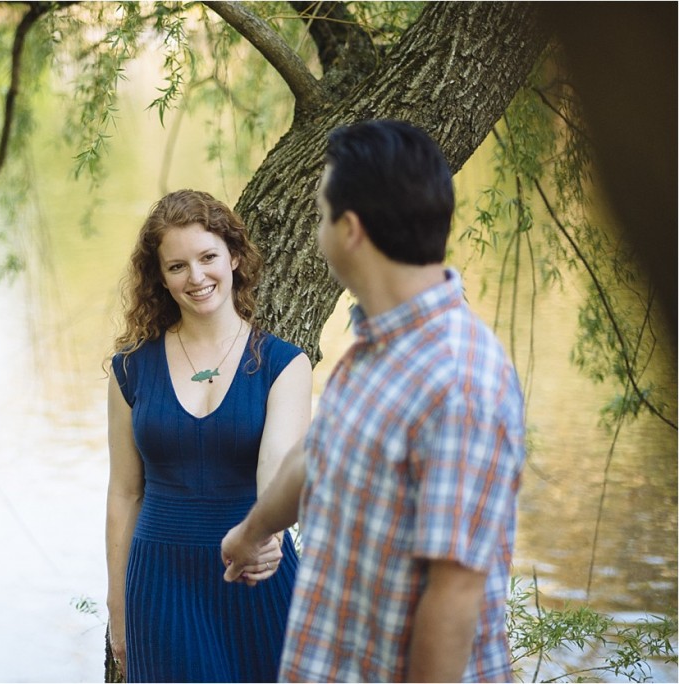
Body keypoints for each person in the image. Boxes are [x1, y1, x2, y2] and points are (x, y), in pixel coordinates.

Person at [221, 120, 527, 682]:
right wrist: (252, 532)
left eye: (321, 216)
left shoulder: (461, 382)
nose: (317, 233)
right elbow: (314, 459)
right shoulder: (373, 347)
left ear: (351, 229)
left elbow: (453, 596)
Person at [105, 189, 312, 682]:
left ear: (234, 257)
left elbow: (277, 474)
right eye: (177, 266)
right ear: (160, 277)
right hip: (161, 584)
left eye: (208, 258)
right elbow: (124, 493)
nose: (196, 277)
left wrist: (265, 534)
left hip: (257, 573)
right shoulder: (130, 368)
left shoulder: (284, 364)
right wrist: (117, 605)